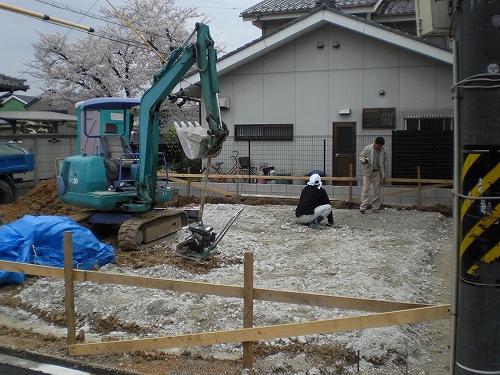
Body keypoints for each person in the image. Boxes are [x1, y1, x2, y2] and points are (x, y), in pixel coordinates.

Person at [359, 136, 388, 213]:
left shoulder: (383, 151)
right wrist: (363, 160)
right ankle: (363, 207)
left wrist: (384, 175)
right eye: (378, 145)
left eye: (381, 146)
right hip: (367, 172)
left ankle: (375, 207)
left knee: (377, 190)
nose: (379, 147)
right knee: (365, 189)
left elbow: (385, 163)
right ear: (375, 143)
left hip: (377, 172)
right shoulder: (367, 148)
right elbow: (361, 156)